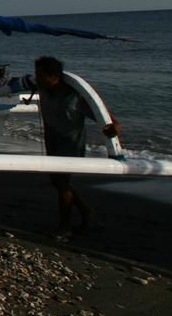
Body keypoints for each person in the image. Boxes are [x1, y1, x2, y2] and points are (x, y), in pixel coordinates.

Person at [21, 56, 121, 240]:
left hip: (70, 144)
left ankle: (65, 226)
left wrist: (113, 127)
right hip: (51, 139)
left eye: (42, 75)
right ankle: (86, 212)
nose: (38, 78)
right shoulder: (42, 89)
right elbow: (20, 84)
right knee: (57, 182)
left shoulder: (75, 96)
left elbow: (105, 117)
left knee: (62, 184)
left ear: (55, 76)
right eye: (37, 74)